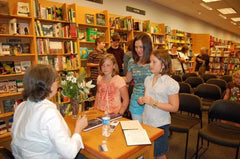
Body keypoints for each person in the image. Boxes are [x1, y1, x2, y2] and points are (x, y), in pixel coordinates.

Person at [11, 64, 88, 159]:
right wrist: (78, 129)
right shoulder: (48, 113)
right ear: (48, 86)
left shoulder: (21, 107)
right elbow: (70, 153)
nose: (58, 84)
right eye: (56, 80)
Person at [138, 49, 179, 159]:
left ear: (164, 65)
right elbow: (148, 97)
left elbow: (174, 107)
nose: (150, 64)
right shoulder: (148, 79)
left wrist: (153, 103)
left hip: (160, 123)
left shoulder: (170, 83)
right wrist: (142, 100)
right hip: (147, 120)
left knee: (159, 154)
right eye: (150, 61)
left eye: (154, 62)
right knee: (149, 151)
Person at [125, 33, 152, 122]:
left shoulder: (154, 60)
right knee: (138, 130)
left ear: (147, 46)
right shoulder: (132, 61)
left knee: (151, 131)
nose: (138, 50)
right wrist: (113, 77)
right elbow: (128, 79)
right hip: (136, 100)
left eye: (141, 47)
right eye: (136, 47)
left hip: (151, 100)